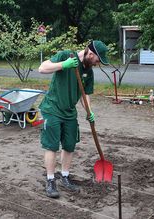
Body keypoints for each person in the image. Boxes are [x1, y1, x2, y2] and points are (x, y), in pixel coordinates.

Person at [38, 40, 109, 198]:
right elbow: (42, 68)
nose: (98, 64)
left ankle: (65, 177)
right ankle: (50, 181)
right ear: (90, 54)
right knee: (51, 146)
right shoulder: (66, 55)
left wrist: (89, 111)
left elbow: (85, 95)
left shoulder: (88, 71)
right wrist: (64, 64)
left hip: (70, 112)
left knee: (69, 145)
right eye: (98, 60)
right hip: (52, 109)